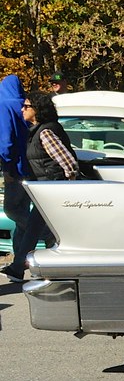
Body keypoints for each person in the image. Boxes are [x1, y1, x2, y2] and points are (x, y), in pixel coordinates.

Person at [6, 91, 77, 282]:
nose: (22, 109)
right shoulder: (38, 131)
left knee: (42, 229)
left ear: (37, 110)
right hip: (46, 188)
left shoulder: (45, 132)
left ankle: (24, 267)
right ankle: (18, 267)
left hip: (53, 188)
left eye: (27, 106)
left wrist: (66, 185)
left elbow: (68, 162)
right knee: (34, 228)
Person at [0, 74, 30, 281]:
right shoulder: (25, 105)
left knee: (11, 210)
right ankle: (18, 265)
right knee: (21, 213)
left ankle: (46, 232)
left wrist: (6, 165)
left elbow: (6, 140)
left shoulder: (3, 105)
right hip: (31, 167)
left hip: (15, 168)